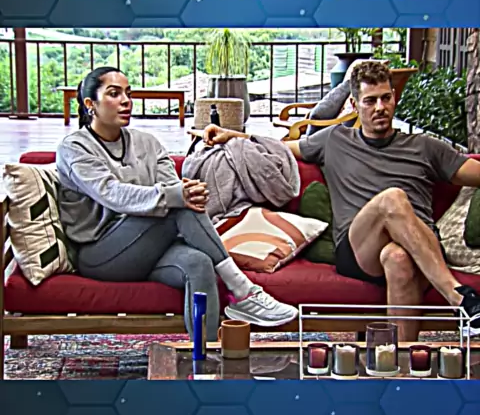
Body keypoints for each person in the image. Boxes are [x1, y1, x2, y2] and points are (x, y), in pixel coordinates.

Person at [203, 60, 480, 340]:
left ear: (394, 98)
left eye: (385, 98)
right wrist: (232, 135)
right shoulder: (334, 140)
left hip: (420, 248)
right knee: (392, 199)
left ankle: (398, 361)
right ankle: (458, 297)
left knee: (397, 258)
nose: (380, 107)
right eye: (370, 101)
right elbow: (279, 147)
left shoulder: (425, 146)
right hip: (359, 247)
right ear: (355, 105)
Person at [55, 67, 298, 341]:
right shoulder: (74, 148)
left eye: (128, 93)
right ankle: (243, 290)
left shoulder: (147, 143)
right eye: (114, 94)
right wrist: (179, 195)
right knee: (178, 203)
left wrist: (189, 192)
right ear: (91, 104)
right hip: (101, 254)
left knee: (199, 263)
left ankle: (205, 356)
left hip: (149, 246)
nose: (126, 101)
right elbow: (113, 193)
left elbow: (174, 187)